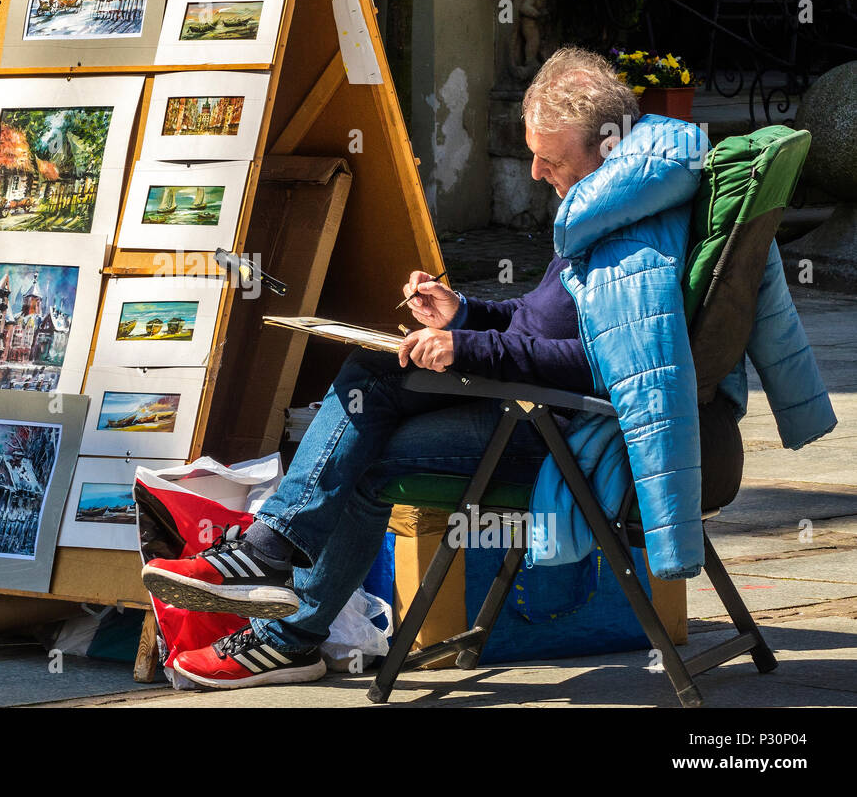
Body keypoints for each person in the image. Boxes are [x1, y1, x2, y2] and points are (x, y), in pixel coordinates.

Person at [142, 47, 644, 688]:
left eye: (552, 157)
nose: (538, 171)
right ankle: (277, 579)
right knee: (370, 380)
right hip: (532, 407)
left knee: (367, 446)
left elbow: (595, 363)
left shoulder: (629, 239)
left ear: (605, 145)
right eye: (534, 153)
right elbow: (539, 322)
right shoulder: (604, 208)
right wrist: (462, 313)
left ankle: (280, 598)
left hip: (564, 434)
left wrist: (466, 348)